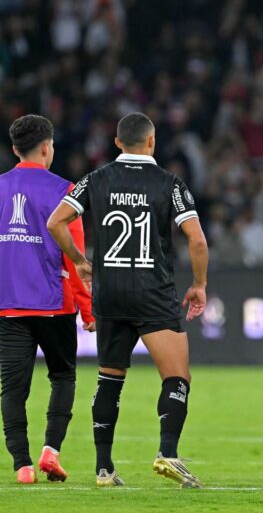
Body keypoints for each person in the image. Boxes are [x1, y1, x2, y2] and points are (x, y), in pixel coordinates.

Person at [47, 112, 209, 488]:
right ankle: (168, 453)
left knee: (109, 378)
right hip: (152, 293)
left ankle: (104, 468)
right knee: (177, 377)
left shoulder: (95, 179)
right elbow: (197, 240)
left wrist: (80, 262)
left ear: (118, 143)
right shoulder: (169, 184)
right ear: (151, 142)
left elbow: (56, 221)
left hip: (110, 292)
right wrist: (199, 284)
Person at [0, 115, 93, 484]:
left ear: (14, 150)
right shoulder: (64, 190)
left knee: (12, 388)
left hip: (9, 306)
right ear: (45, 147)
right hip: (54, 305)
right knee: (63, 377)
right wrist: (87, 309)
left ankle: (22, 466)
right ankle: (50, 452)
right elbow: (75, 257)